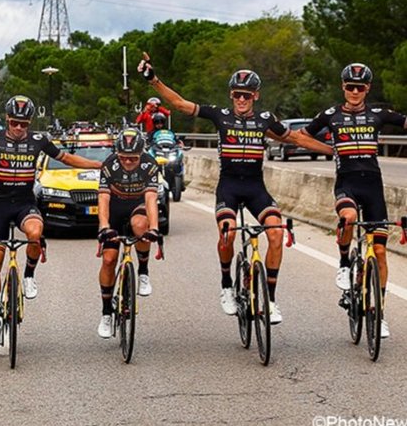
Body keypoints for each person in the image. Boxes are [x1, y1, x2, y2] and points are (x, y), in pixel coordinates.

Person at [137, 51, 331, 324]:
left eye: (247, 95)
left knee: (275, 235)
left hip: (256, 189)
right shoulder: (220, 115)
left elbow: (296, 139)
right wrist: (154, 80)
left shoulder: (265, 119)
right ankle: (227, 285)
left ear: (256, 96)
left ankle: (271, 301)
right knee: (227, 234)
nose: (242, 99)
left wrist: (335, 151)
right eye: (237, 94)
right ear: (231, 95)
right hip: (228, 187)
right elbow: (180, 104)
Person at [0, 94, 102, 348]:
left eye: (24, 124)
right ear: (7, 121)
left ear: (29, 122)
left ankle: (30, 275)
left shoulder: (38, 140)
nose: (19, 128)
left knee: (35, 232)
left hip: (24, 203)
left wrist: (97, 164)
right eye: (14, 123)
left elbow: (66, 158)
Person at [304, 62, 407, 340]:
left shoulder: (378, 114)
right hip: (346, 183)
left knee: (381, 252)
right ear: (343, 87)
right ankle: (344, 264)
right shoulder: (330, 115)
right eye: (350, 86)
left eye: (360, 87)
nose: (354, 91)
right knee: (348, 218)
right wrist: (329, 149)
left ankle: (380, 312)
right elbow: (301, 136)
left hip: (373, 186)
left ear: (367, 89)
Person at [96, 126, 162, 338]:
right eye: (124, 158)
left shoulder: (150, 165)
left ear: (141, 154)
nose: (128, 162)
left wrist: (155, 229)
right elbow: (103, 199)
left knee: (141, 226)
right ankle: (106, 313)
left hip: (137, 205)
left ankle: (143, 271)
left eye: (133, 158)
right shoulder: (109, 165)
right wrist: (104, 226)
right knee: (109, 260)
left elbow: (151, 199)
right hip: (115, 208)